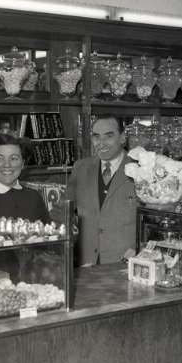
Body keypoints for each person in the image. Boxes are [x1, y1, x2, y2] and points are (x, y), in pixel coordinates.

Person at [53, 114, 137, 266]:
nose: (101, 143)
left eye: (109, 136)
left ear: (123, 138)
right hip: (86, 265)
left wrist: (140, 248)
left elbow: (153, 221)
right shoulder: (81, 168)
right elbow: (62, 211)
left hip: (125, 265)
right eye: (96, 136)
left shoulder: (140, 170)